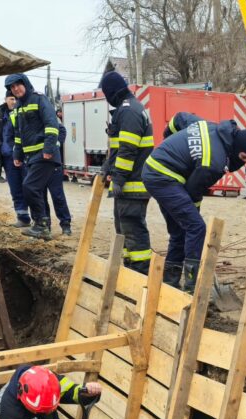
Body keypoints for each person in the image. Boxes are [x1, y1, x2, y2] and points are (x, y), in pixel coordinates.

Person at [143, 118, 246, 291]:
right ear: (235, 148)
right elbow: (192, 193)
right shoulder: (213, 163)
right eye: (242, 158)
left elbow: (179, 118)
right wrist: (193, 218)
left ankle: (169, 284)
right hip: (163, 178)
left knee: (180, 231)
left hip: (155, 169)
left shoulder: (212, 127)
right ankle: (192, 287)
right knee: (196, 227)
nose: (242, 163)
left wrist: (168, 142)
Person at [100, 71, 154, 274]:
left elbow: (127, 150)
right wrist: (106, 168)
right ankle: (130, 271)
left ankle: (140, 275)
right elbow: (118, 148)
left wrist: (119, 179)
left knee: (133, 231)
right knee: (123, 231)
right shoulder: (129, 109)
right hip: (130, 185)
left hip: (133, 185)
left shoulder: (129, 111)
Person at [4, 73, 62, 240]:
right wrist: (17, 154)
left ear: (25, 83)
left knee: (29, 187)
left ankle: (40, 225)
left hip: (45, 155)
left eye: (18, 85)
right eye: (12, 88)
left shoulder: (39, 100)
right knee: (39, 192)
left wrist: (49, 148)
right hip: (31, 157)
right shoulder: (18, 107)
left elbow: (52, 125)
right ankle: (44, 229)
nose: (16, 89)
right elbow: (18, 134)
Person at [0, 94, 30, 227]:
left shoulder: (25, 111)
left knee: (30, 187)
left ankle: (40, 219)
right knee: (15, 188)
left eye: (15, 99)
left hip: (24, 157)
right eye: (11, 98)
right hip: (8, 157)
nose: (14, 101)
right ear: (5, 100)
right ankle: (23, 217)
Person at [43, 107, 72, 236]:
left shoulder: (49, 116)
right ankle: (45, 225)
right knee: (40, 198)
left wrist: (57, 143)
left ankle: (65, 224)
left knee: (58, 196)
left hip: (53, 163)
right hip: (36, 164)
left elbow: (62, 130)